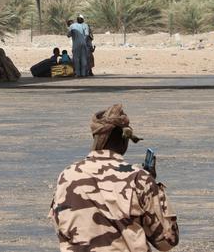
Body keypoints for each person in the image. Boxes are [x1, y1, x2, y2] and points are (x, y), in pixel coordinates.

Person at [49, 104, 179, 251]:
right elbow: (167, 241)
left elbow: (60, 226)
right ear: (125, 139)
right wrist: (154, 188)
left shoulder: (66, 176)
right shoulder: (138, 179)